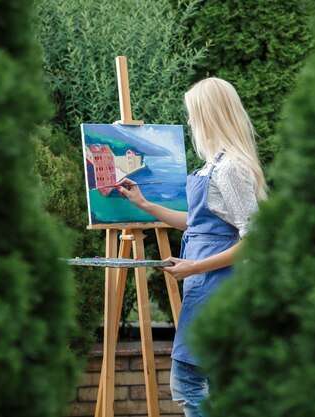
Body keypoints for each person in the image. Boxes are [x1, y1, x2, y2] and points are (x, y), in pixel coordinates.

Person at [117, 77, 268, 417]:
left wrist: (193, 267)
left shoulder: (229, 169)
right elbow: (199, 224)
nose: (189, 121)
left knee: (189, 381)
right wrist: (146, 205)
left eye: (192, 113)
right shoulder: (214, 165)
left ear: (209, 115)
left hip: (218, 286)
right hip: (204, 283)